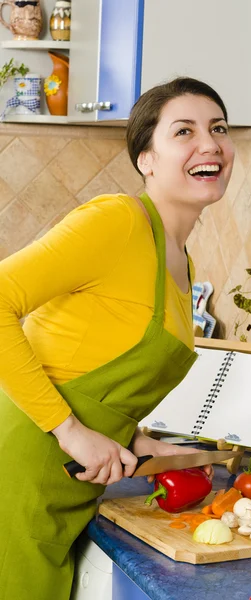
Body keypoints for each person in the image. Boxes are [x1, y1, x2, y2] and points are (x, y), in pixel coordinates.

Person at [0, 77, 235, 600]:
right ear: (146, 159)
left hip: (61, 481)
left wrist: (128, 436)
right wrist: (69, 430)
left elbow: (84, 359)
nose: (211, 143)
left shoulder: (179, 260)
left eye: (219, 128)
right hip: (16, 465)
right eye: (184, 131)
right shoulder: (118, 222)